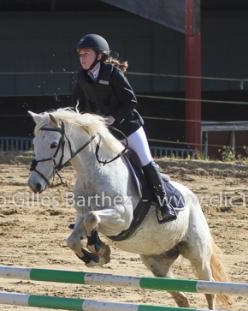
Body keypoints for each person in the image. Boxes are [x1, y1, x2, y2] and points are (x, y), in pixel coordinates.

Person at [72, 33, 177, 223]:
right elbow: (80, 105)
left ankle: (164, 205)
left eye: (86, 54)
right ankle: (87, 211)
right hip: (106, 132)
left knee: (145, 161)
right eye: (80, 55)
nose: (82, 59)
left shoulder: (112, 73)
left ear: (99, 55)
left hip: (129, 128)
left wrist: (113, 117)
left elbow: (131, 102)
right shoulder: (81, 77)